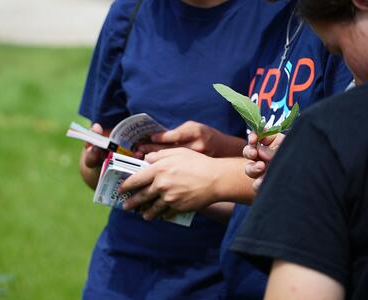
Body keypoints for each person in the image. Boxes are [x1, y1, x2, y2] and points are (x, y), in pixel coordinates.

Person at [119, 0, 352, 297]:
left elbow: (341, 171)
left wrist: (217, 176)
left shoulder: (339, 34)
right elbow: (282, 165)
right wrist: (227, 152)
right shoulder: (280, 23)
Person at [77, 0, 290, 298]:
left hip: (224, 276)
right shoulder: (130, 11)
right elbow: (92, 172)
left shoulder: (281, 18)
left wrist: (210, 176)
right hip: (121, 275)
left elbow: (300, 178)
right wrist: (96, 164)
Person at [231, 0, 368, 299]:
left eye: (338, 49)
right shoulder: (274, 26)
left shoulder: (333, 131)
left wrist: (308, 164)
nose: (352, 79)